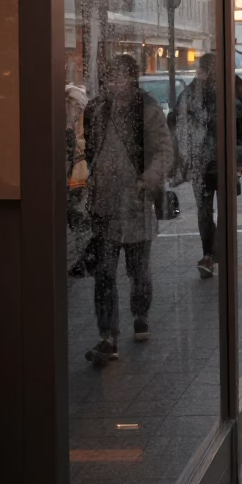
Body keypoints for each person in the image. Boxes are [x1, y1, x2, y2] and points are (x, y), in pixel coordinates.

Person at [82, 55, 173, 363]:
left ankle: (140, 315)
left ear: (133, 79)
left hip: (136, 202)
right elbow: (91, 151)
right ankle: (107, 337)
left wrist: (148, 180)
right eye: (109, 78)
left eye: (119, 77)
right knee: (104, 273)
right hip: (105, 205)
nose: (113, 84)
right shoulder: (95, 108)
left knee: (137, 269)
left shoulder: (145, 107)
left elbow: (163, 149)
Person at [176, 56, 242, 278]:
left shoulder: (231, 88)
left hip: (220, 162)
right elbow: (179, 120)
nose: (206, 74)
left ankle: (213, 253)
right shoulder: (193, 92)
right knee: (207, 211)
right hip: (205, 162)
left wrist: (239, 160)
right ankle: (210, 253)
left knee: (211, 211)